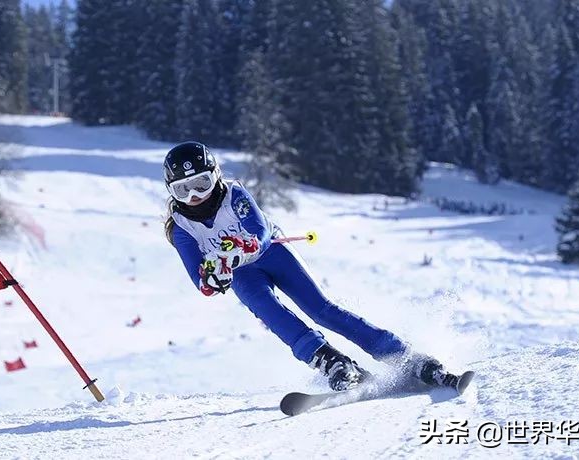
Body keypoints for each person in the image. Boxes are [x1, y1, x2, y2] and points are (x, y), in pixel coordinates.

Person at [162, 141, 463, 391]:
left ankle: (404, 356)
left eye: (201, 183)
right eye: (183, 190)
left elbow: (259, 232)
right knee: (270, 312)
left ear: (215, 176)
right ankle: (330, 361)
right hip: (242, 273)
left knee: (321, 309)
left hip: (272, 253)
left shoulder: (234, 194)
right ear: (171, 191)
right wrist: (214, 277)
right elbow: (200, 279)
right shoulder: (181, 227)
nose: (195, 196)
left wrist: (245, 247)